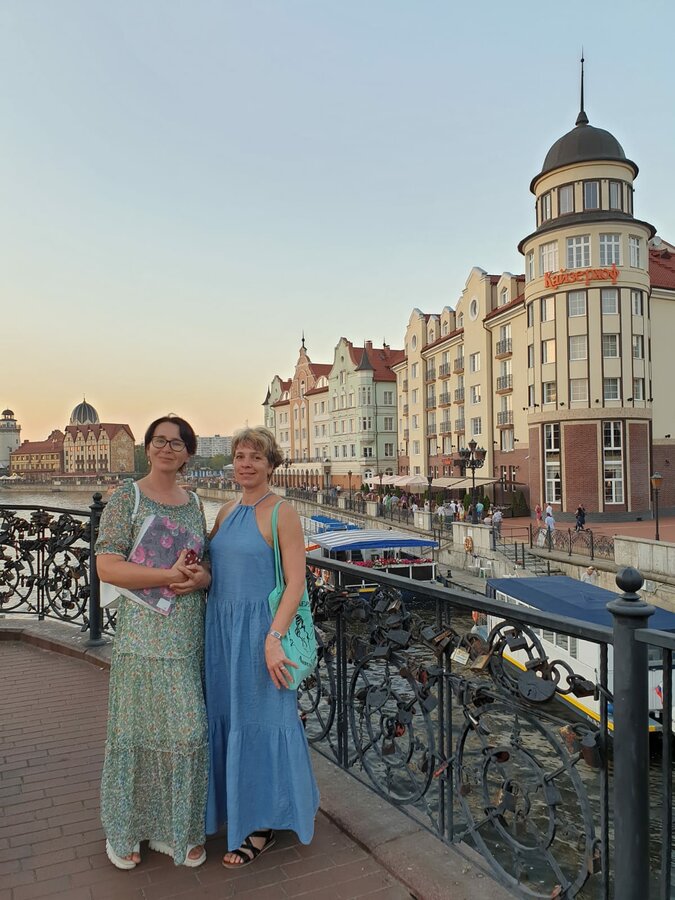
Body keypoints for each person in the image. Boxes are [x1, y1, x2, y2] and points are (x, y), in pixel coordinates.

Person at [96, 415, 211, 870]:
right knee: (135, 734)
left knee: (187, 733)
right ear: (147, 448)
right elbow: (106, 566)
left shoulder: (195, 502)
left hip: (185, 633)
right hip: (142, 634)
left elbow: (204, 566)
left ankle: (175, 829)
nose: (168, 448)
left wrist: (201, 579)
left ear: (188, 454)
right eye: (160, 440)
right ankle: (125, 829)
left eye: (178, 443)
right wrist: (166, 575)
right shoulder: (128, 497)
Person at [205, 427, 319, 868]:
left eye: (256, 456)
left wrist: (273, 639)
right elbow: (216, 570)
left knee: (263, 719)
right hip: (221, 630)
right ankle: (234, 807)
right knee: (229, 718)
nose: (246, 464)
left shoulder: (282, 512)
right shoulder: (225, 511)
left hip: (260, 632)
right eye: (240, 456)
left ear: (271, 465)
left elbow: (296, 582)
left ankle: (261, 824)